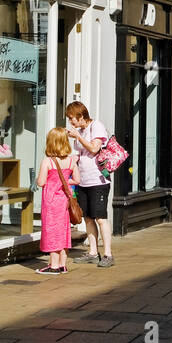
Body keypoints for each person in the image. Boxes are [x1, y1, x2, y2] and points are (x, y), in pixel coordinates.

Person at [65, 101, 113, 265]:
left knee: (100, 217)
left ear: (81, 115)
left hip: (98, 180)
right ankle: (93, 252)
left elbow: (94, 148)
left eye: (72, 118)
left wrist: (78, 136)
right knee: (88, 218)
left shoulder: (96, 126)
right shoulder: (79, 132)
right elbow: (78, 155)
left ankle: (108, 254)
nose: (71, 122)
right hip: (83, 181)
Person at [36, 127, 80, 274]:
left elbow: (41, 182)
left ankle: (53, 266)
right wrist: (66, 183)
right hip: (64, 201)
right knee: (63, 230)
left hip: (50, 201)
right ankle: (63, 264)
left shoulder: (48, 161)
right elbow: (77, 180)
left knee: (52, 231)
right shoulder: (71, 161)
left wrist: (39, 179)